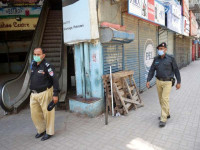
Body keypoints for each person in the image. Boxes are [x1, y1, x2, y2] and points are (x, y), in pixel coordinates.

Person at [146, 42, 181, 128]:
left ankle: (163, 119)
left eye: (162, 49)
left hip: (168, 82)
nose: (160, 50)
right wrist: (148, 80)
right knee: (161, 100)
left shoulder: (171, 58)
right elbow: (151, 70)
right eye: (159, 49)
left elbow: (176, 70)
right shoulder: (156, 59)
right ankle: (167, 113)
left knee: (165, 99)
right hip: (158, 81)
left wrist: (179, 82)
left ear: (165, 49)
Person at [30, 47, 60, 141]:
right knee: (35, 114)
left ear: (43, 55)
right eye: (34, 54)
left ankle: (49, 132)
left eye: (38, 54)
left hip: (45, 93)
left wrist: (55, 94)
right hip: (34, 94)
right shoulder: (33, 64)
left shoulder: (48, 66)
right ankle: (41, 130)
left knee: (48, 114)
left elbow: (55, 80)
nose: (36, 56)